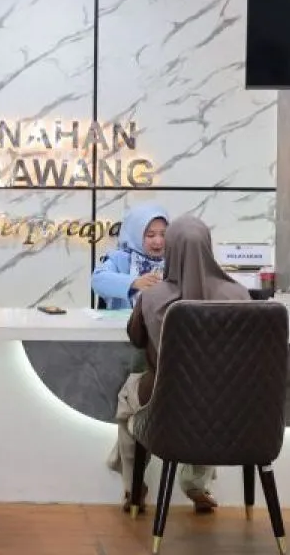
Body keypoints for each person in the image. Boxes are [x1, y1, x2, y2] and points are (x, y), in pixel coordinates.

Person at [107, 215, 251, 513]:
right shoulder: (239, 294)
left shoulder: (152, 296)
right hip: (228, 407)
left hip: (165, 402)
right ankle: (196, 482)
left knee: (128, 399)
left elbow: (136, 339)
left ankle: (134, 486)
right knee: (210, 392)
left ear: (170, 250)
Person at [92, 203, 170, 310]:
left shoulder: (173, 259)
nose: (158, 241)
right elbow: (97, 280)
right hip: (125, 320)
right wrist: (134, 283)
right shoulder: (121, 258)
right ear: (136, 235)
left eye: (163, 234)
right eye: (150, 235)